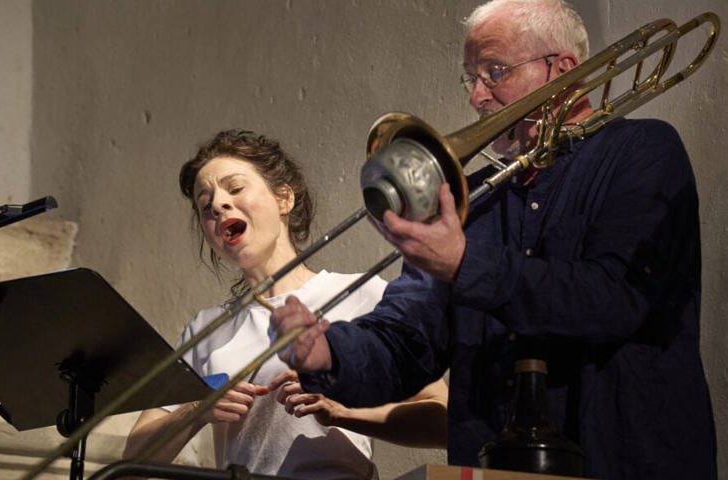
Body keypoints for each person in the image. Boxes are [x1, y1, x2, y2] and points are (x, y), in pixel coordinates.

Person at [269, 1, 717, 479]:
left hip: (627, 460)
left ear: (561, 70)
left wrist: (465, 264)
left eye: (494, 72)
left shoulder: (644, 150)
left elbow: (612, 298)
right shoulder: (471, 202)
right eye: (472, 78)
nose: (477, 97)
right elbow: (406, 342)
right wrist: (329, 352)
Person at [122, 129, 448, 479]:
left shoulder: (361, 293)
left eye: (234, 188)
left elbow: (443, 419)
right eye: (205, 204)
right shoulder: (206, 329)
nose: (217, 204)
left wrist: (344, 412)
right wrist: (198, 410)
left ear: (283, 199)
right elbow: (133, 460)